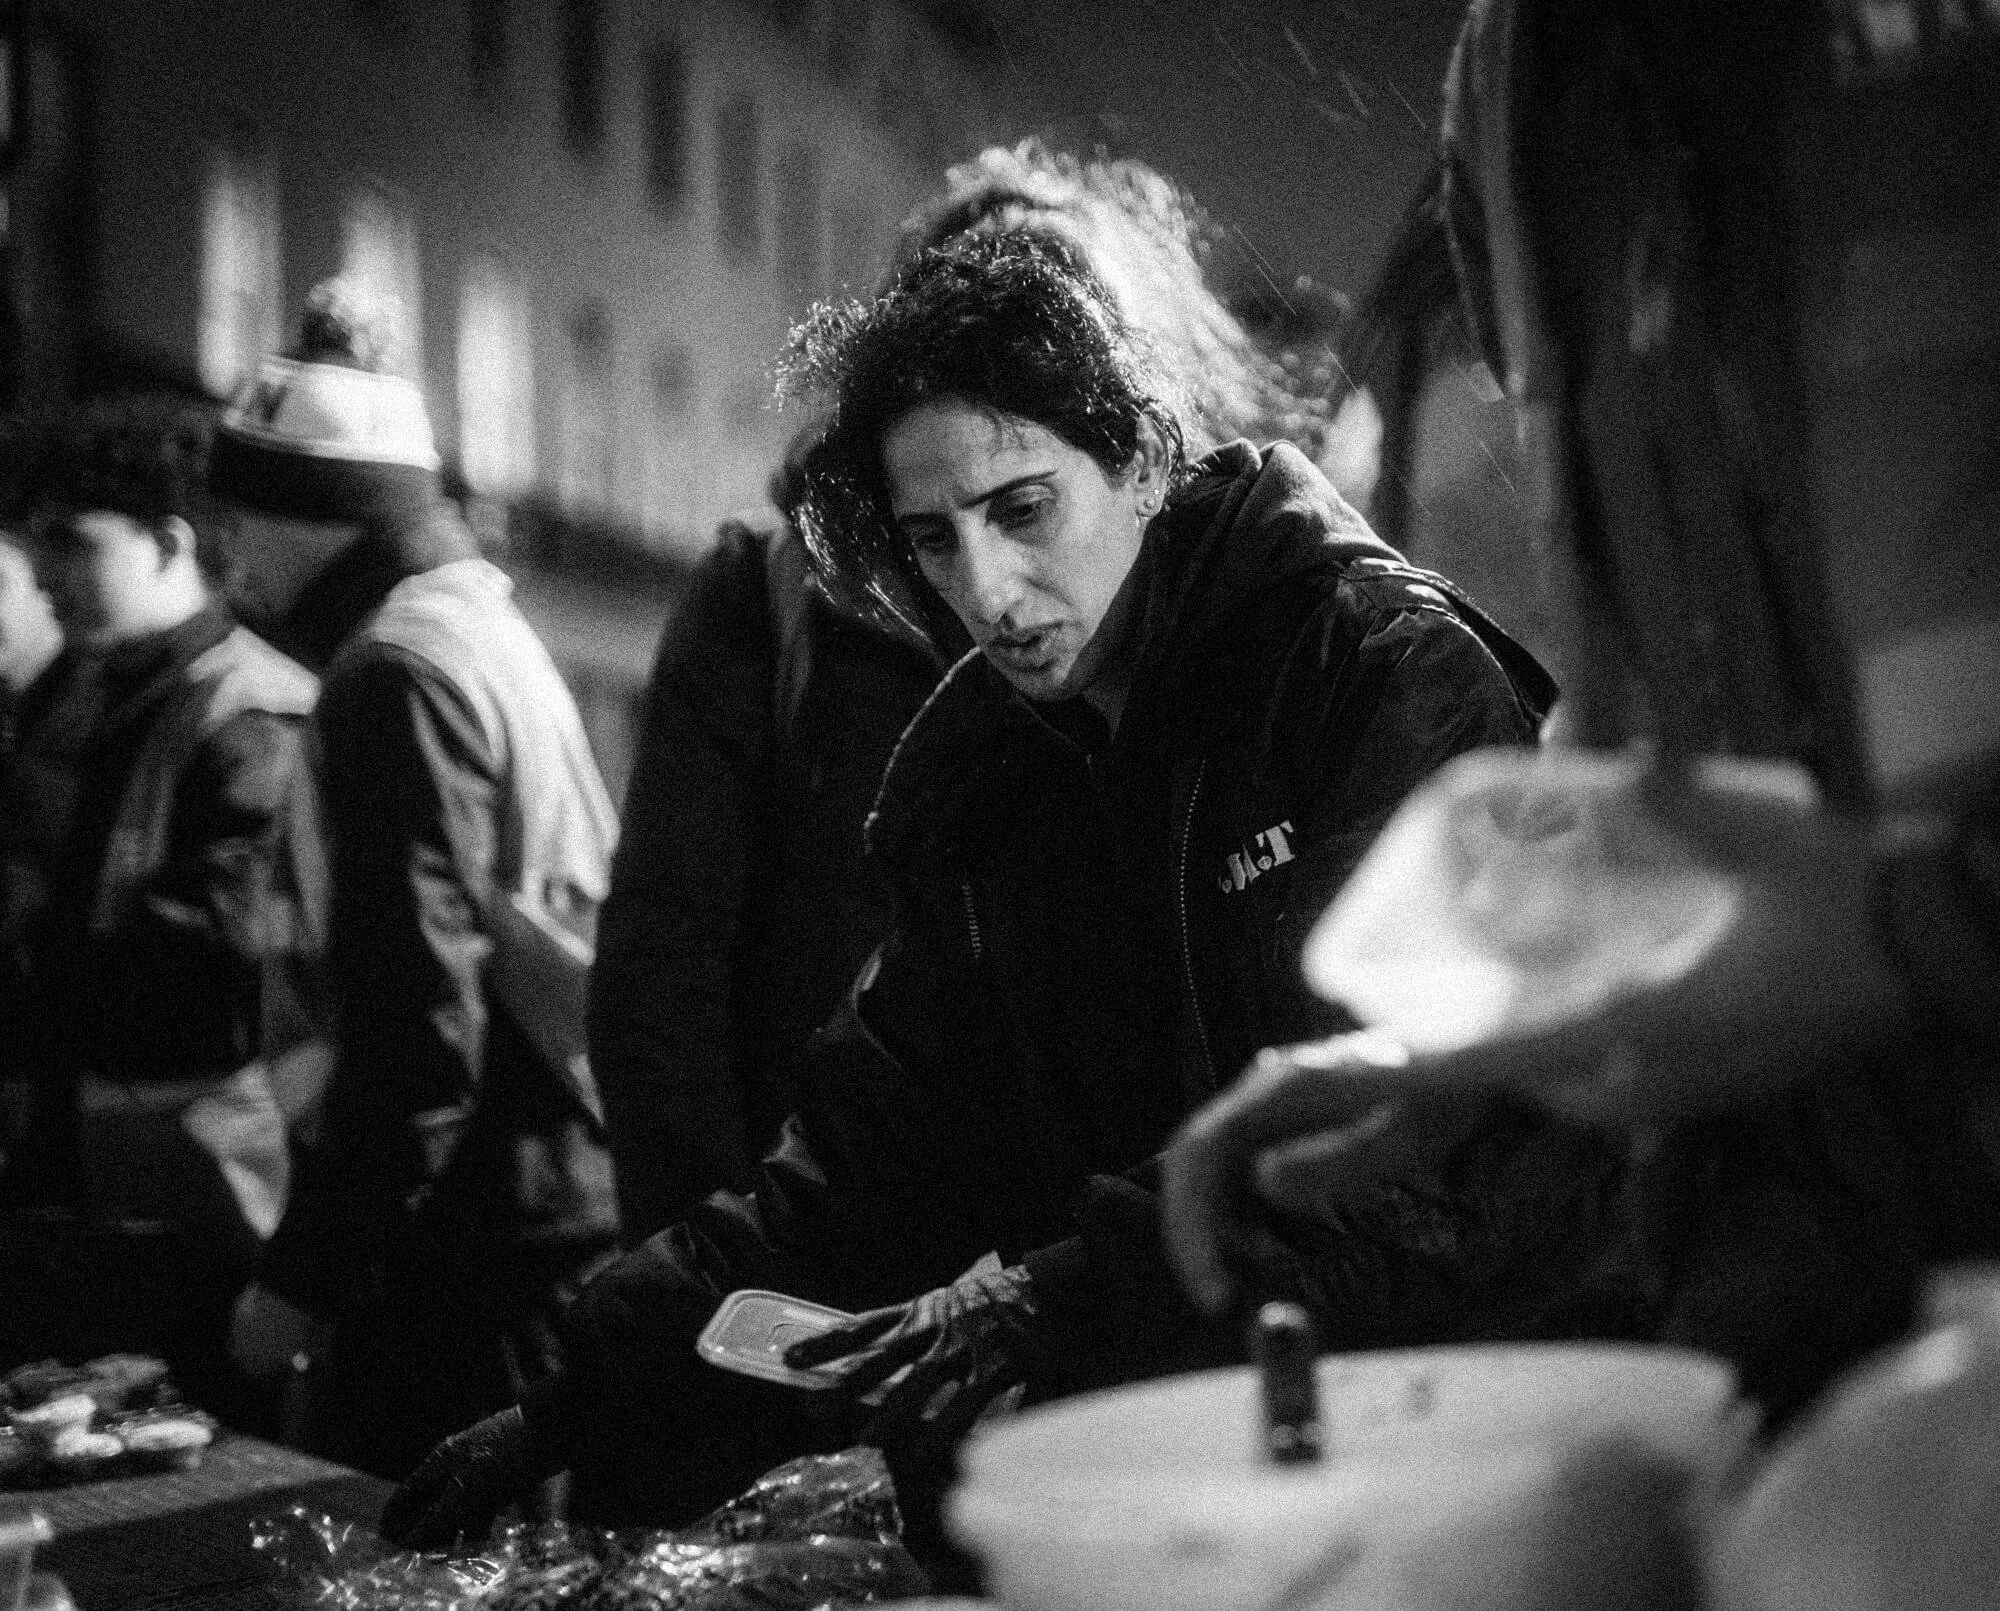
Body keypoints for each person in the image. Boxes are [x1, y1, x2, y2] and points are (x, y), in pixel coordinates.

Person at [383, 230, 1613, 1551]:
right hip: (1166, 1489)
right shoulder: (991, 775)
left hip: (1460, 1470)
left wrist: (1050, 1296)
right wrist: (578, 1394)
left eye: (1023, 508)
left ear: (1140, 457)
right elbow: (869, 1154)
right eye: (933, 539)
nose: (986, 587)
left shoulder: (1376, 674)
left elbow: (1425, 1139)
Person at [1160, 0, 2000, 1424]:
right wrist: (1480, 1040)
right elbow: (1649, 694)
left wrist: (1901, 930)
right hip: (1781, 1270)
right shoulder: (1513, 73)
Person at [592, 140, 1333, 1238]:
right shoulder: (774, 599)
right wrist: (719, 1312)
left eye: (1049, 345)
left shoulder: (1274, 640)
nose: (989, 594)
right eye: (934, 534)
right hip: (846, 1238)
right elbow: (666, 977)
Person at [218, 282, 622, 1481]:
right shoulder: (469, 628)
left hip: (471, 1257)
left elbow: (417, 1031)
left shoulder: (393, 672)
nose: (225, 542)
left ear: (317, 518)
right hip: (530, 1212)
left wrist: (301, 1282)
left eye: (242, 508)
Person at [0, 400, 323, 1430]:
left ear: (171, 542)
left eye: (73, 539)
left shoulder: (252, 707)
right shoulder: (82, 693)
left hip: (205, 1201)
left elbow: (218, 951)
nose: (42, 568)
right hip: (87, 1185)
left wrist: (31, 964)